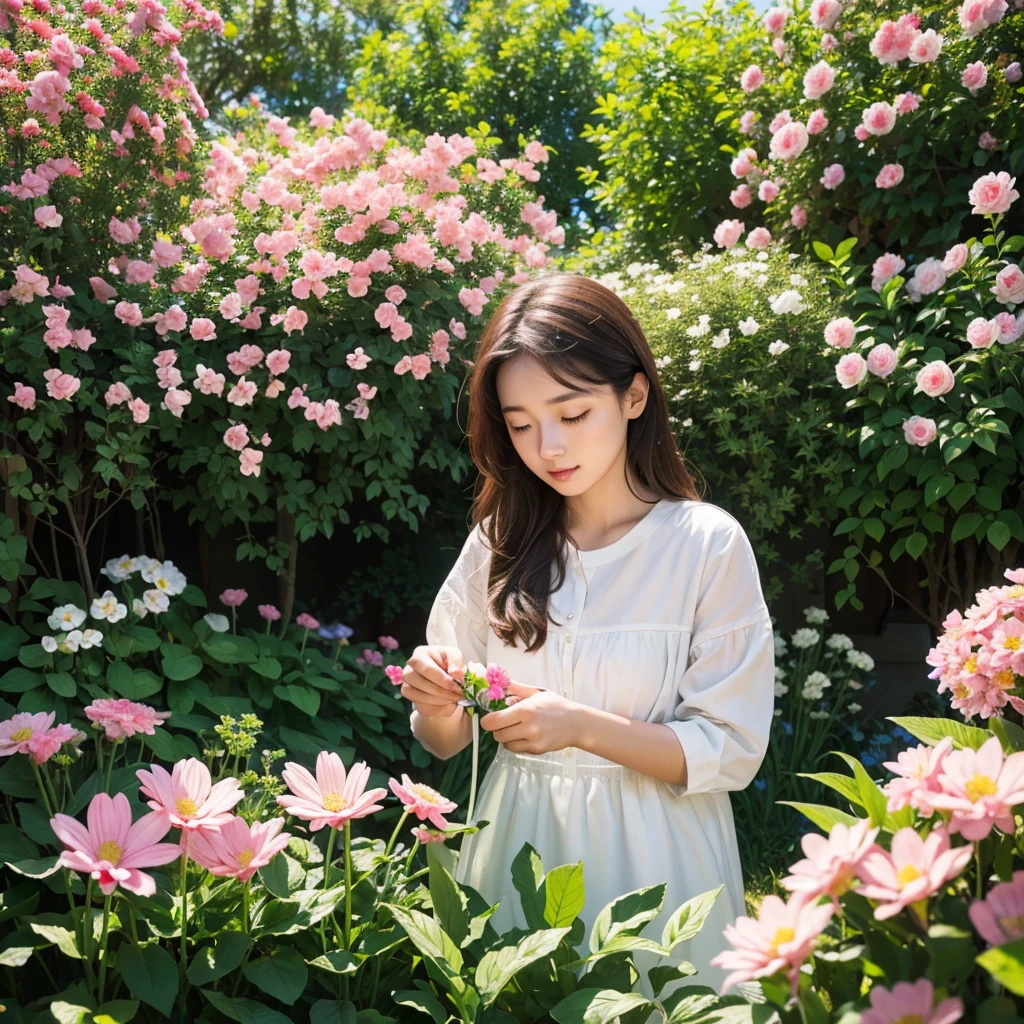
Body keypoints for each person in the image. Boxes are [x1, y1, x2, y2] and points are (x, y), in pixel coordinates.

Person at [399, 271, 775, 994]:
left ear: (633, 396)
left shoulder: (705, 544)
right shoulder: (500, 540)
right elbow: (448, 740)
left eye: (572, 413)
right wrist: (435, 701)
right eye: (520, 423)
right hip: (520, 844)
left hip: (659, 856)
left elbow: (730, 751)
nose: (548, 445)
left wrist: (579, 726)